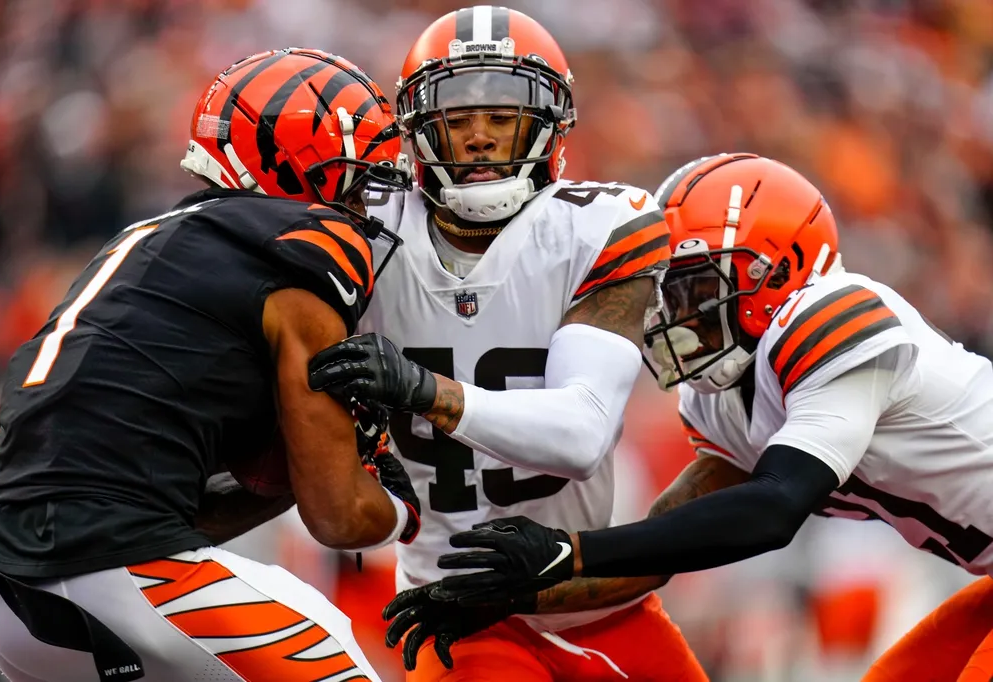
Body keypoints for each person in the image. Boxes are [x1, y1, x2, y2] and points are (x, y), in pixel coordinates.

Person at [406, 153, 993, 682]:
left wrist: (567, 549)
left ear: (772, 273)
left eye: (688, 287)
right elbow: (660, 551)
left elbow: (773, 508)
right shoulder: (721, 394)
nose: (667, 314)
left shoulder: (833, 317)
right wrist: (501, 595)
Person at [0, 48, 420, 682]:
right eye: (359, 172)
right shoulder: (303, 249)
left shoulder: (150, 241)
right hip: (122, 573)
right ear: (303, 162)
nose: (367, 199)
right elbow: (339, 517)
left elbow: (176, 510)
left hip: (6, 593)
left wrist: (291, 471)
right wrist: (408, 505)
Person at [308, 6, 707, 681]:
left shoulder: (598, 226)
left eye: (502, 116)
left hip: (597, 601)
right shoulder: (361, 229)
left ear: (549, 123)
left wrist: (419, 390)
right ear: (417, 130)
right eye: (458, 119)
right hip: (456, 608)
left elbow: (580, 436)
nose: (481, 138)